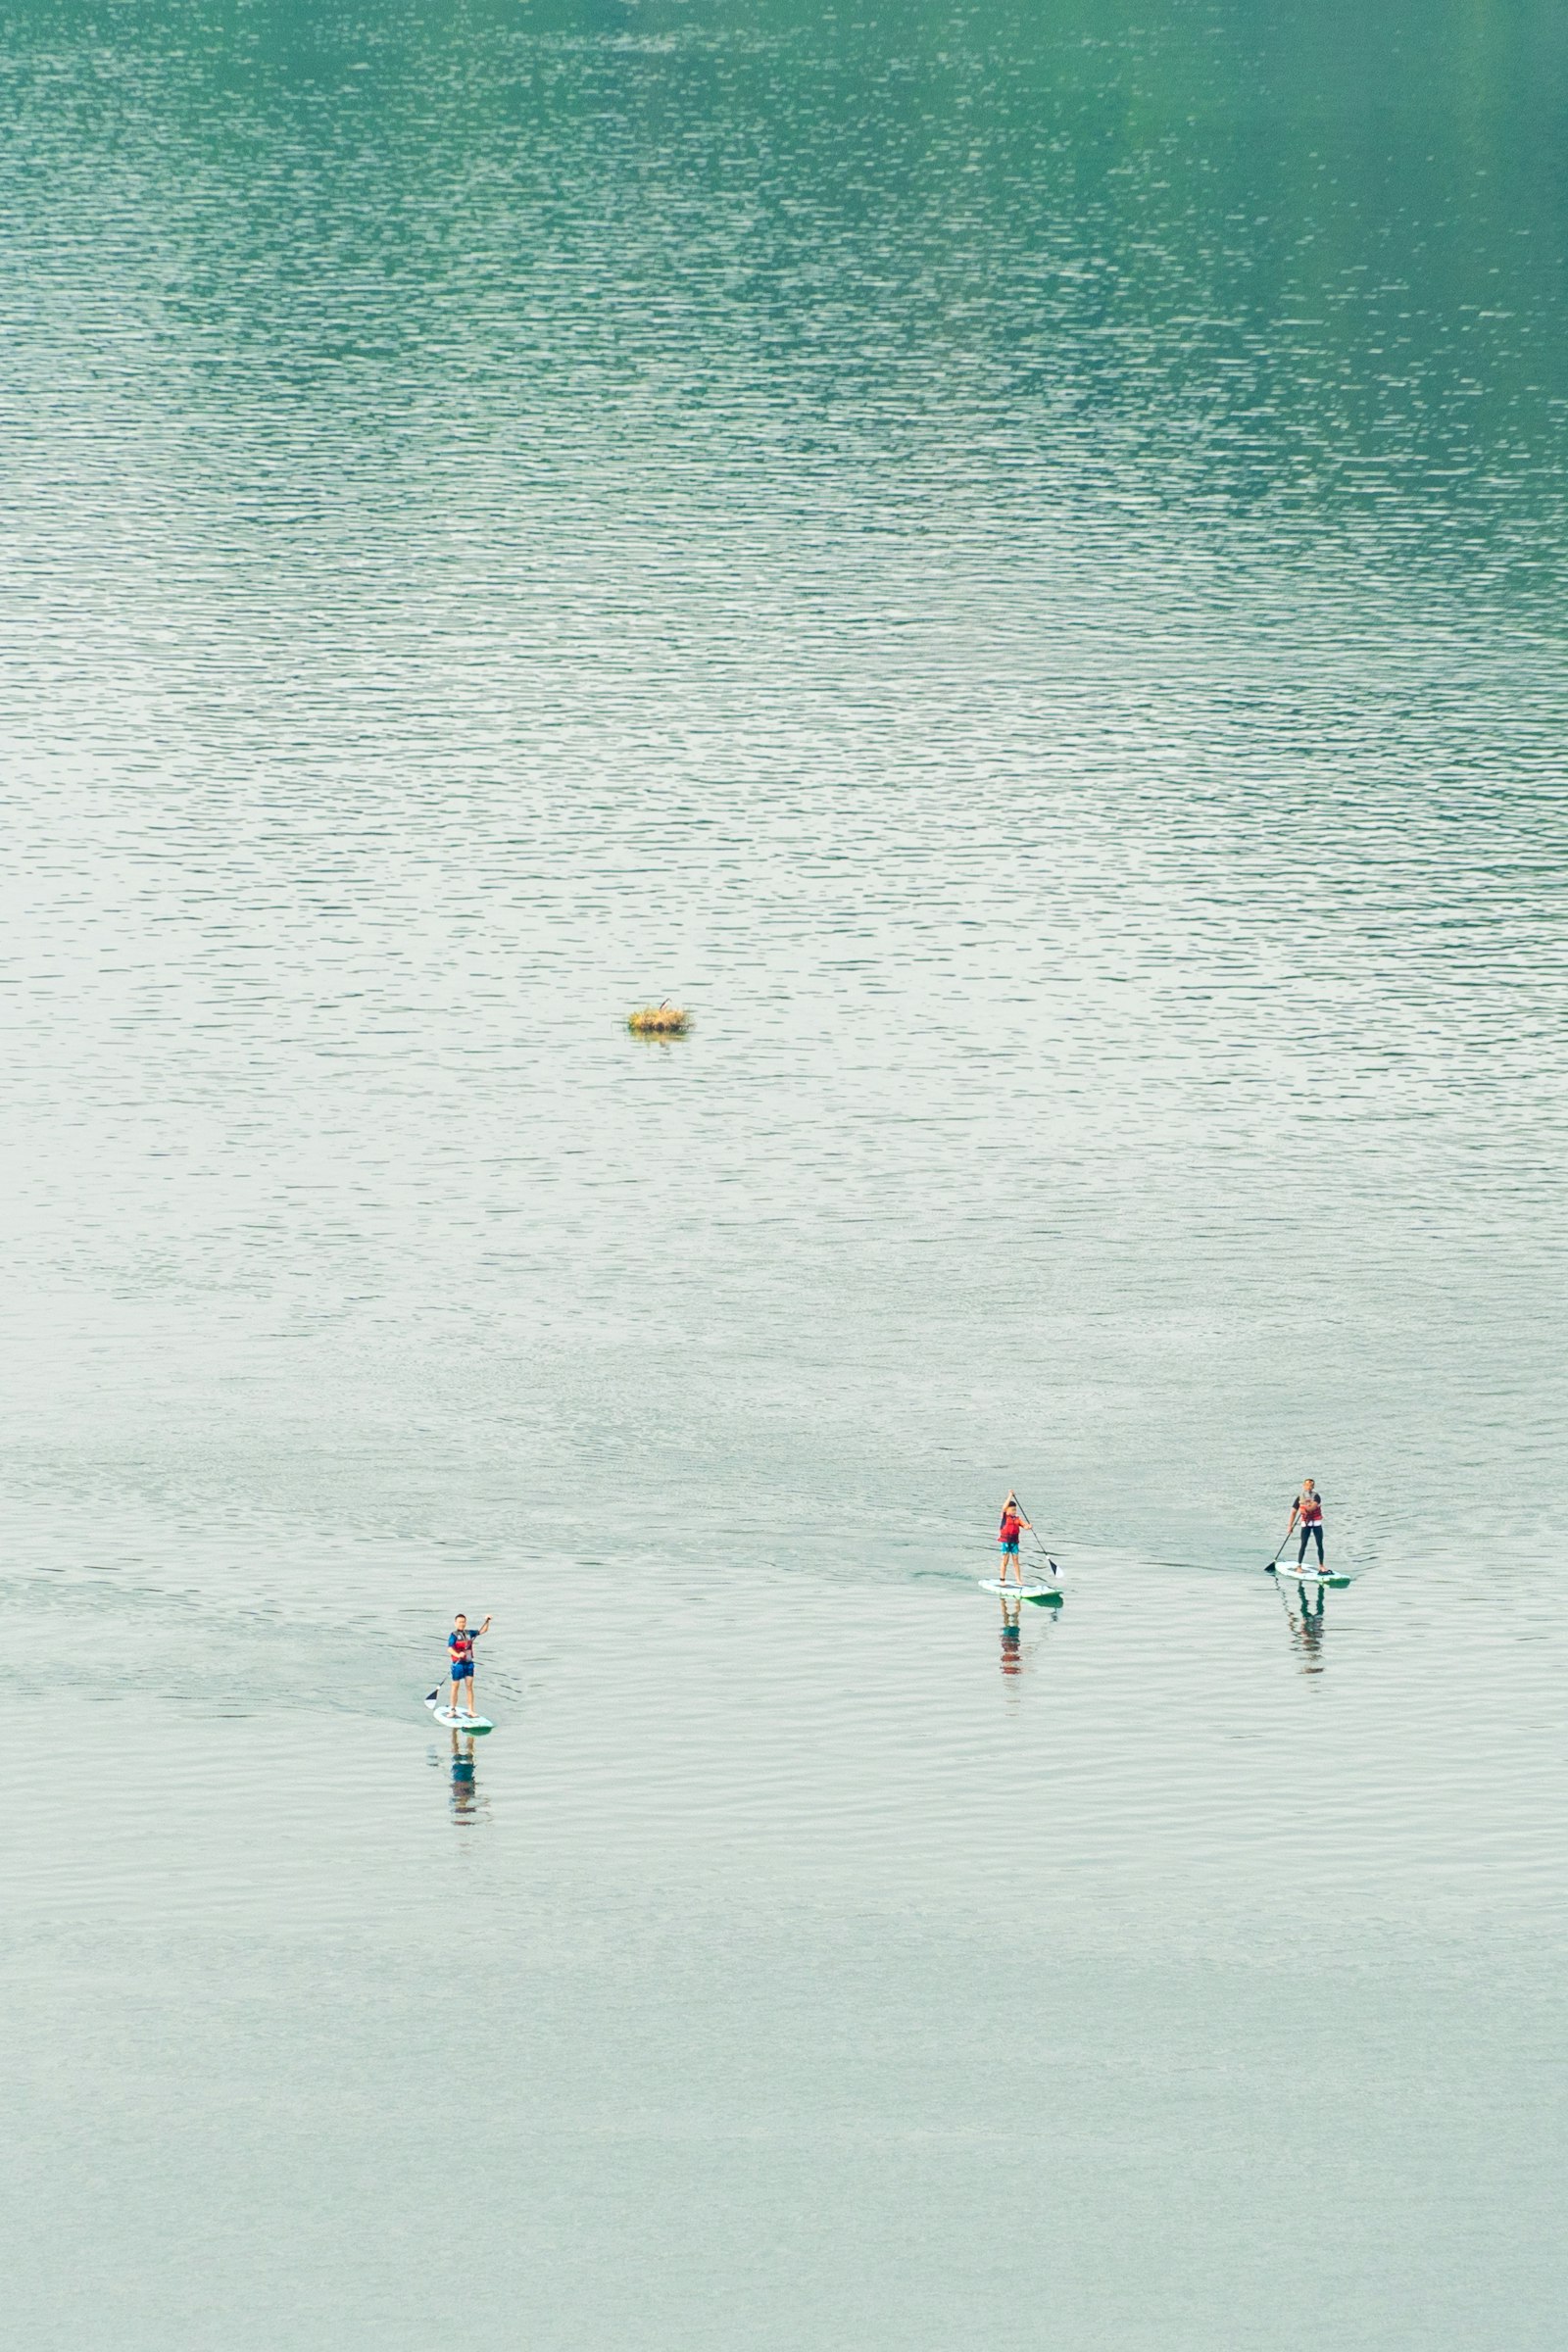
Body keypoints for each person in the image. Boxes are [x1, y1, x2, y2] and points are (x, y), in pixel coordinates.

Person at [447, 1612, 491, 1717]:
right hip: (458, 1665)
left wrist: (487, 1621)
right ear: (455, 1623)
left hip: (469, 1664)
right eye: (459, 1622)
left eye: (463, 1622)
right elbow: (449, 1649)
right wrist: (458, 1654)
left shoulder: (469, 1633)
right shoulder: (453, 1635)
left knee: (469, 1686)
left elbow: (483, 1630)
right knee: (455, 1686)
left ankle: (470, 1710)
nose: (461, 1623)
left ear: (465, 1623)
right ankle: (452, 1710)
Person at [1286, 1480, 1325, 1569]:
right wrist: (1290, 1526)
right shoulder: (1299, 1498)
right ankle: (1299, 1565)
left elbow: (1312, 1508)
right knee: (1303, 1544)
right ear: (1304, 1486)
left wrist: (1304, 1507)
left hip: (1316, 1522)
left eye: (1311, 1485)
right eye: (1307, 1485)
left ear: (1313, 1487)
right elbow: (1293, 1512)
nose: (1309, 1487)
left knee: (1319, 1544)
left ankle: (1321, 1565)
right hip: (1305, 1522)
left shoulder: (1316, 1496)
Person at [997, 1493, 1031, 1588]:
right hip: (1006, 1542)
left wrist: (1028, 1527)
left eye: (1015, 1510)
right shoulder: (1004, 1517)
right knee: (1005, 1561)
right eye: (1012, 1510)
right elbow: (1004, 1507)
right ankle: (1002, 1580)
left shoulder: (1017, 1519)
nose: (1014, 1511)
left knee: (1016, 1561)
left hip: (1014, 1542)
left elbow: (1024, 1525)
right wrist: (1010, 1496)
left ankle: (1019, 1580)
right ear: (1007, 1510)